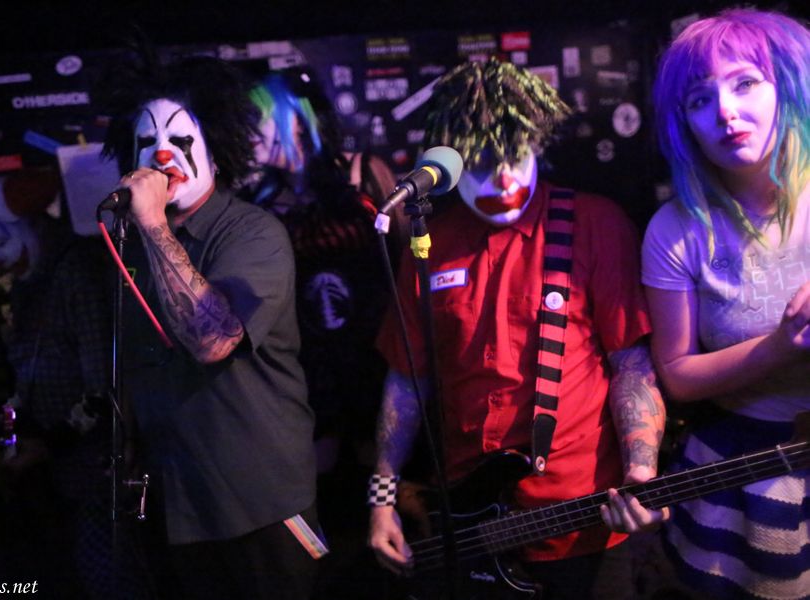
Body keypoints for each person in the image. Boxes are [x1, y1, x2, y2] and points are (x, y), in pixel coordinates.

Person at [366, 57, 668, 599]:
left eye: (517, 157)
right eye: (484, 163)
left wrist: (641, 470)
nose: (504, 179)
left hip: (583, 520)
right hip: (469, 525)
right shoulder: (427, 243)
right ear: (453, 159)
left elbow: (631, 363)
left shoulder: (594, 223)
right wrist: (382, 499)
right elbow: (407, 380)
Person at [99, 53, 323, 600]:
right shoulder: (130, 245)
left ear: (217, 151)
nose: (162, 154)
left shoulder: (253, 232)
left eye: (181, 138)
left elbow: (212, 339)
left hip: (259, 503)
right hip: (179, 503)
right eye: (147, 141)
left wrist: (153, 223)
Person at [644, 8, 810, 598]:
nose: (725, 112)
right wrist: (782, 344)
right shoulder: (675, 231)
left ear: (787, 86)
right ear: (683, 123)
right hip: (740, 470)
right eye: (699, 99)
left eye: (745, 83)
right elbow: (677, 375)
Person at [0, 170, 145, 599]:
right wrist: (13, 426)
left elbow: (104, 388)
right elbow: (31, 371)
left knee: (109, 576)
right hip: (60, 476)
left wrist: (47, 443)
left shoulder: (76, 273)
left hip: (97, 474)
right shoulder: (31, 286)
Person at [240, 69, 389, 474]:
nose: (247, 131)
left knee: (380, 471)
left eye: (257, 117)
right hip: (307, 367)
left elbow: (405, 265)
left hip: (373, 353)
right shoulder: (259, 202)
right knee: (317, 478)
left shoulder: (363, 173)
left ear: (295, 117)